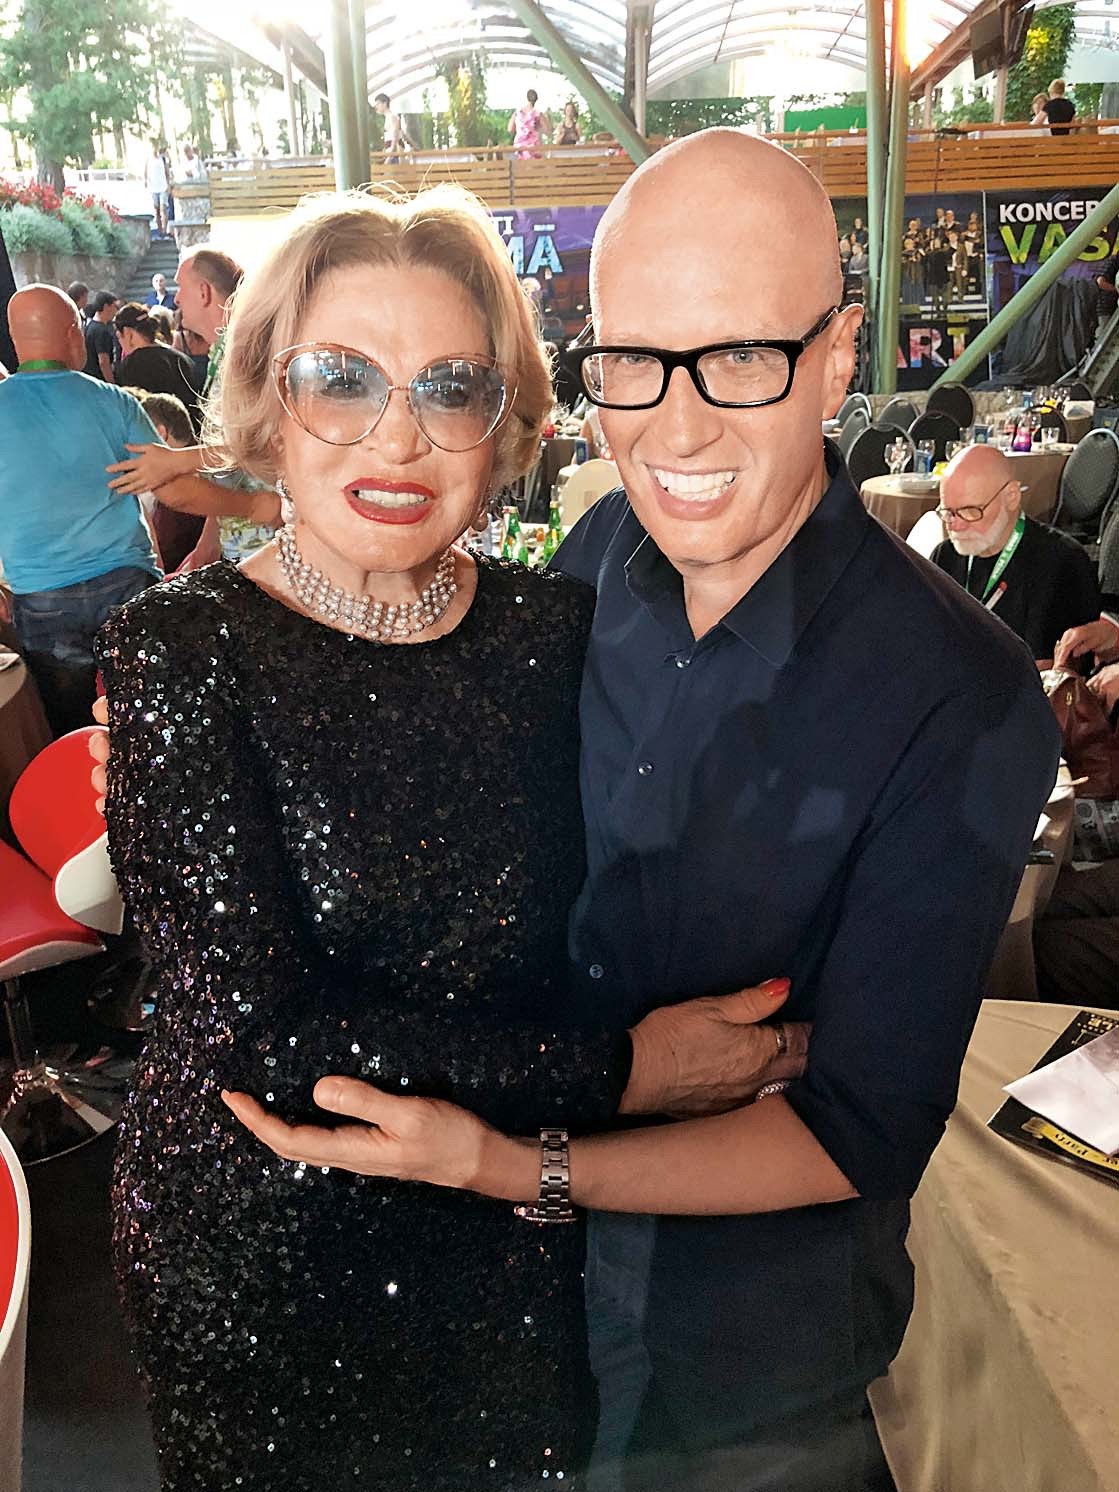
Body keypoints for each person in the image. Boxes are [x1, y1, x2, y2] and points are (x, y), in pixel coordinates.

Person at [223, 131, 1060, 1492]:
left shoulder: (958, 696)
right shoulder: (601, 553)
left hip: (745, 1363)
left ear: (837, 358)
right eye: (633, 361)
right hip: (509, 1304)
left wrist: (516, 1165)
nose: (675, 429)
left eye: (740, 358)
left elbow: (853, 1130)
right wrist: (246, 739)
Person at [91, 184, 802, 1492]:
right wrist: (628, 1073)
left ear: (505, 420)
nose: (400, 437)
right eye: (341, 380)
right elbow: (268, 1037)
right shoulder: (181, 653)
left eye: (452, 388)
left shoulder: (555, 631)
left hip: (512, 1223)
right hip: (274, 1245)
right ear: (266, 402)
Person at [0, 285, 159, 733]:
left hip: (41, 595)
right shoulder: (115, 401)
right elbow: (171, 485)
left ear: (16, 341)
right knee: (148, 711)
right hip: (127, 581)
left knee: (73, 723)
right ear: (74, 334)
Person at [106, 246, 280, 563]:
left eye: (180, 288)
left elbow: (261, 445)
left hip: (273, 548)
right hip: (245, 544)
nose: (175, 300)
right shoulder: (225, 352)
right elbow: (230, 470)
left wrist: (176, 461)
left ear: (204, 292)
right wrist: (206, 546)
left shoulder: (251, 351)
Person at [931, 444, 1100, 660]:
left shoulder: (1062, 563)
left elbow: (1058, 668)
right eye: (948, 512)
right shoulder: (944, 557)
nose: (955, 525)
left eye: (970, 511)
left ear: (1011, 497)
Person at [114, 301, 204, 435]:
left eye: (119, 337)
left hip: (155, 438)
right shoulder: (182, 358)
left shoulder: (131, 365)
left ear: (128, 333)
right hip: (191, 435)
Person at [84, 289, 120, 382]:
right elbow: (103, 362)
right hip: (99, 379)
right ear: (106, 306)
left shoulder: (90, 326)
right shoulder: (102, 331)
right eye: (115, 306)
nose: (116, 311)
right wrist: (112, 384)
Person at [509, 90, 549, 158]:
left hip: (520, 144)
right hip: (534, 144)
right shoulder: (538, 114)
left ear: (527, 98)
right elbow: (547, 130)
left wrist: (520, 128)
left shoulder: (517, 112)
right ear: (536, 99)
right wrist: (539, 128)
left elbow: (510, 129)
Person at [374, 92, 412, 161]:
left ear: (385, 103)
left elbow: (395, 136)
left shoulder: (392, 117)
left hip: (394, 151)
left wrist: (390, 154)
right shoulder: (389, 117)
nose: (376, 107)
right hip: (391, 150)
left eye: (378, 104)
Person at [146, 139, 171, 237]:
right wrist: (146, 181)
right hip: (153, 187)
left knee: (163, 208)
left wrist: (168, 185)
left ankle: (164, 230)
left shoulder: (162, 159)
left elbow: (167, 172)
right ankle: (159, 230)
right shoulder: (148, 159)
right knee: (156, 210)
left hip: (163, 186)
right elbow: (145, 172)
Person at [1095, 251, 1119, 339]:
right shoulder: (1113, 261)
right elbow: (1100, 282)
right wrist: (1116, 289)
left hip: (1111, 307)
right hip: (1104, 307)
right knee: (1103, 336)